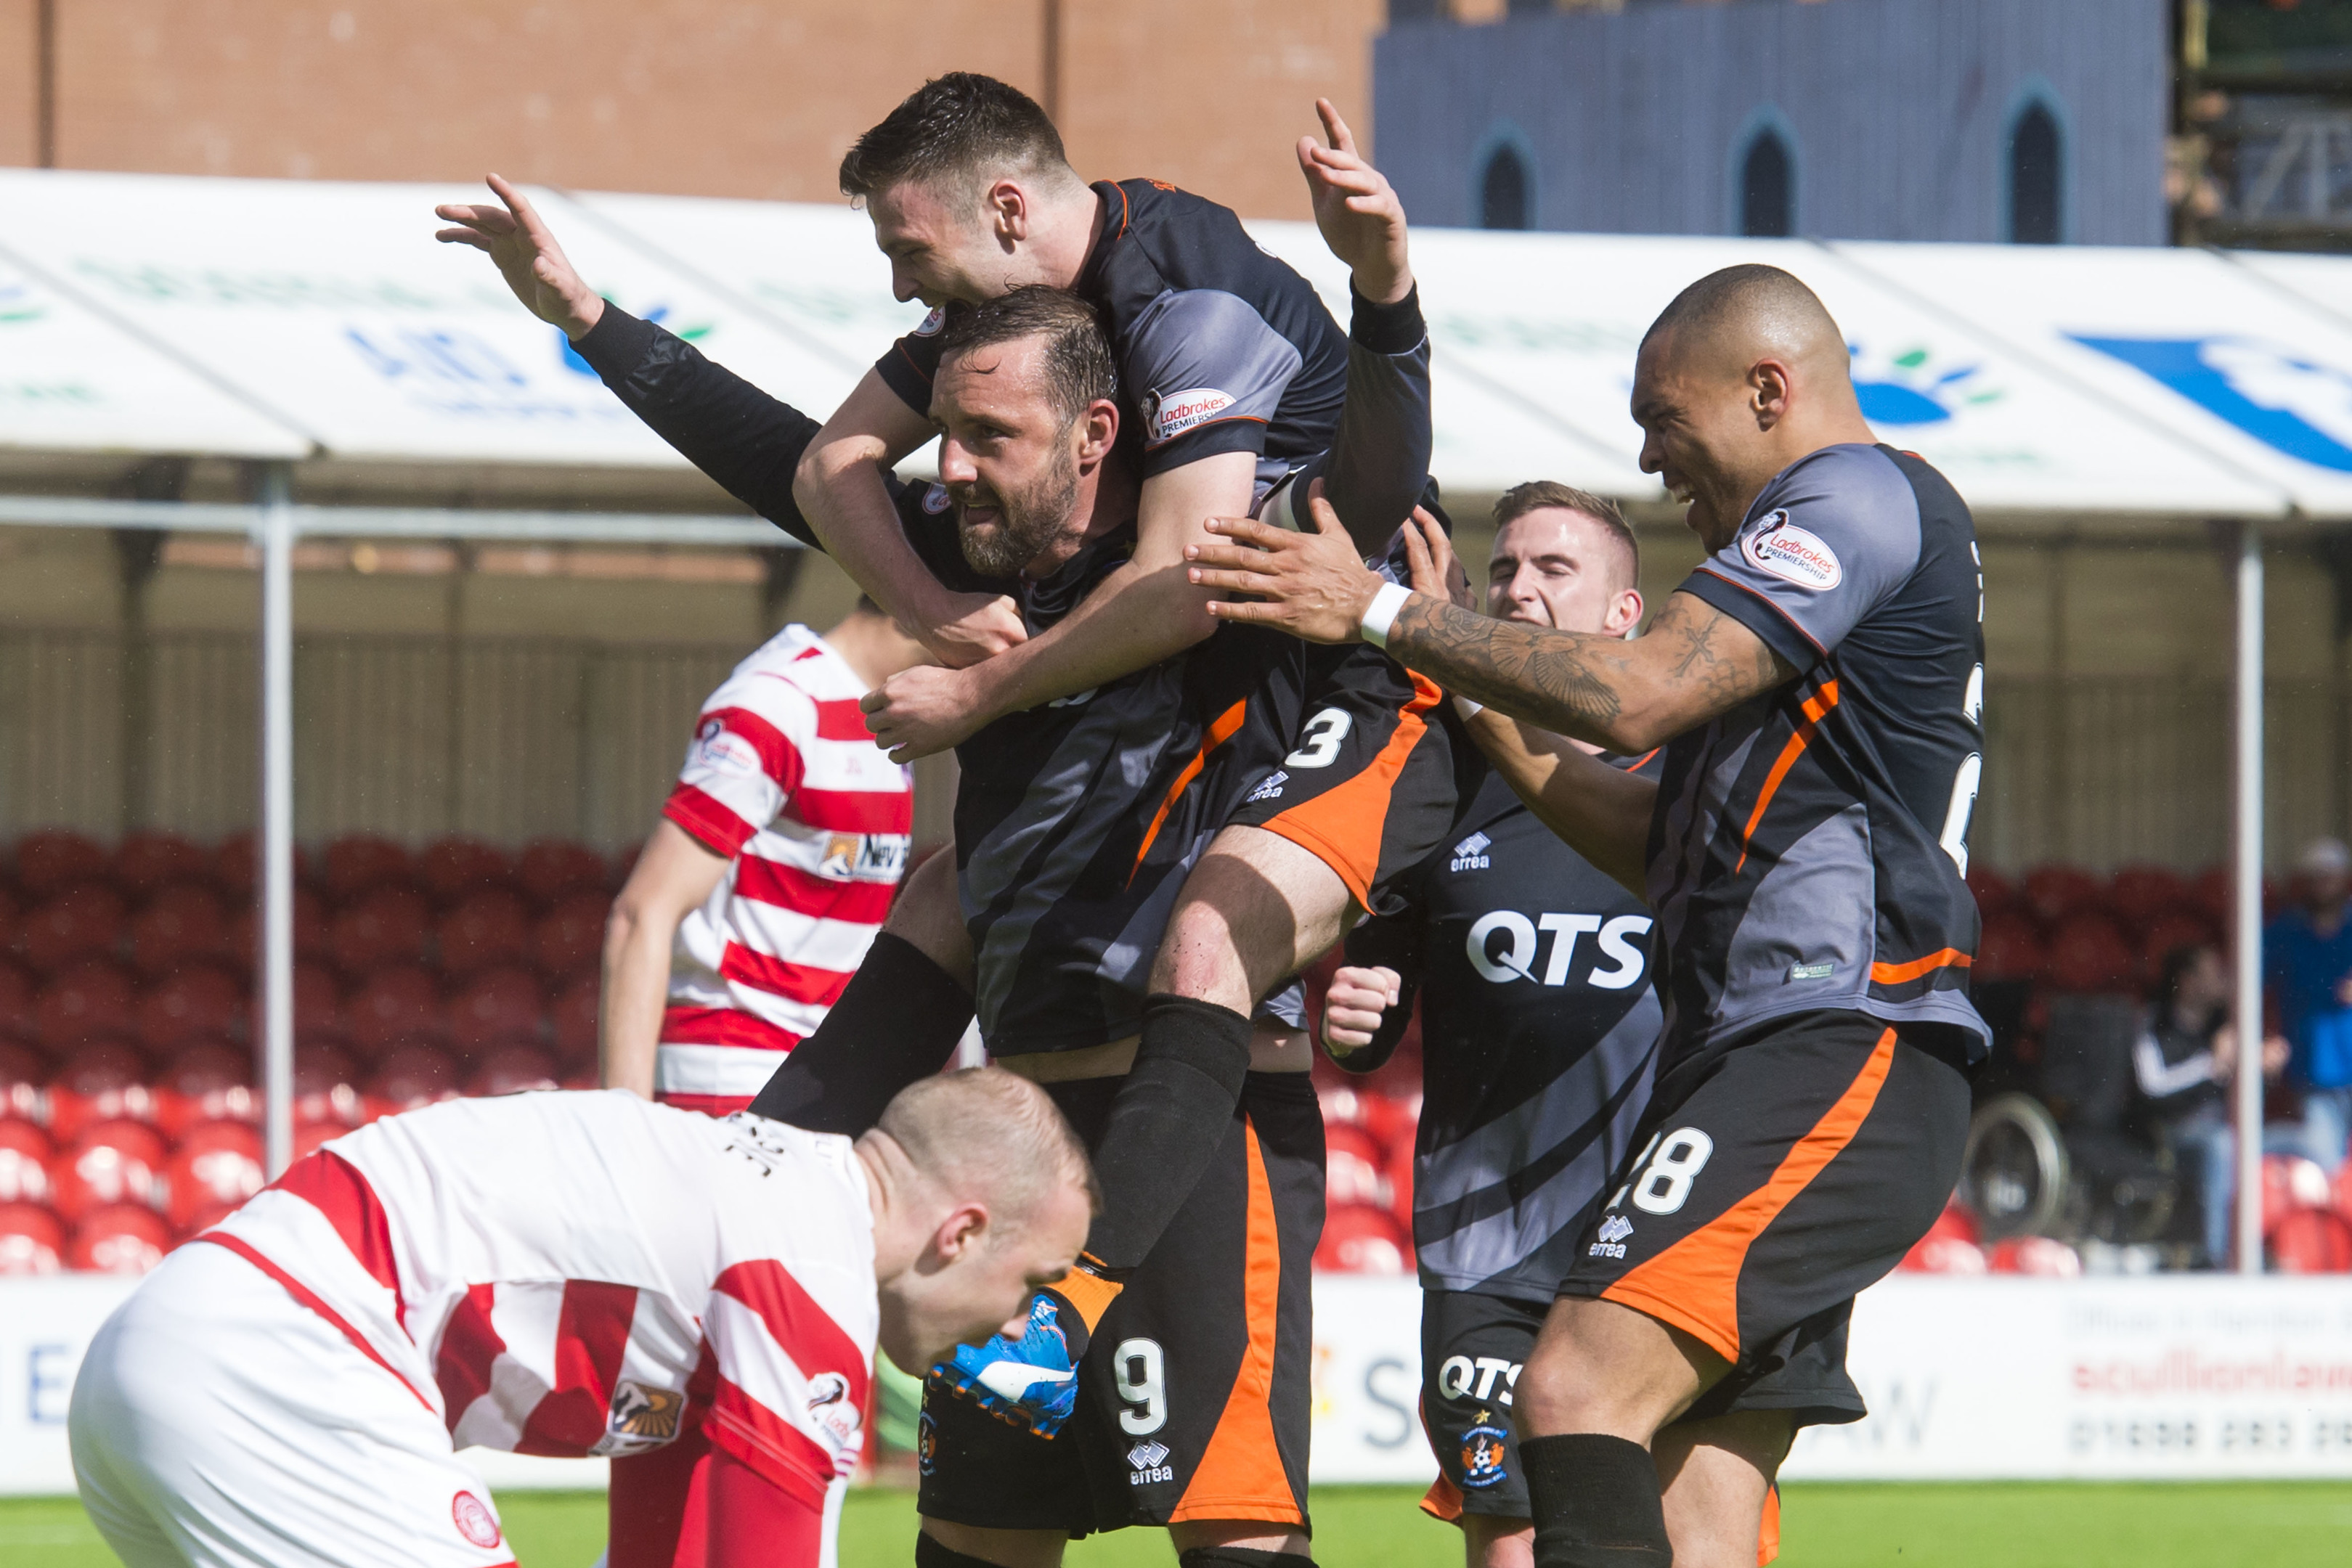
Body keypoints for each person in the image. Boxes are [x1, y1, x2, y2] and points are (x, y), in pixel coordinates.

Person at [1184, 263, 1987, 1568]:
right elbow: (1635, 827)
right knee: (1690, 1510)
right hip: (1782, 1053)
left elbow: (1631, 696)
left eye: (1661, 417)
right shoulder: (1794, 619)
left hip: (1837, 1041)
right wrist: (1436, 651)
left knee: (1567, 1388)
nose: (1645, 454)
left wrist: (1378, 608)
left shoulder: (1850, 496)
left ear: (1768, 392)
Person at [1317, 486, 1793, 1568]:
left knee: (1678, 1539)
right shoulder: (1435, 780)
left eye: (1553, 571)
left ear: (1625, 618)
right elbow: (1372, 996)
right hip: (1489, 1249)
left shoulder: (1689, 787)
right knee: (1513, 1541)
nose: (1517, 590)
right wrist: (1354, 1018)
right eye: (1504, 572)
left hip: (1661, 1235)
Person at [68, 1070, 1097, 1568]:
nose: (1016, 1326)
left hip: (162, 1353)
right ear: (959, 1232)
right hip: (284, 1366)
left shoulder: (767, 1208)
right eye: (1034, 1279)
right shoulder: (807, 1266)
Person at [598, 598, 931, 1115]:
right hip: (731, 1074)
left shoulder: (887, 717)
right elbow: (642, 912)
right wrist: (622, 1132)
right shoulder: (779, 702)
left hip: (819, 1072)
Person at [2133, 942, 2287, 1267]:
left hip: (2233, 1130)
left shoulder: (2225, 1023)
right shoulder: (2153, 1022)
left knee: (2305, 1143)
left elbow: (2247, 1090)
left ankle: (2287, 1253)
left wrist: (2262, 1066)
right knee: (2222, 1146)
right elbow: (2153, 1090)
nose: (2224, 981)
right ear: (2188, 981)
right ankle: (2224, 1259)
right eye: (2215, 973)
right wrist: (2212, 1066)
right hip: (2174, 1135)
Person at [2266, 837, 2352, 1171]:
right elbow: (2251, 982)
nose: (2322, 886)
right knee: (2327, 1163)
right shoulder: (2285, 930)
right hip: (2314, 1071)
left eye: (2330, 877)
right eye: (2315, 877)